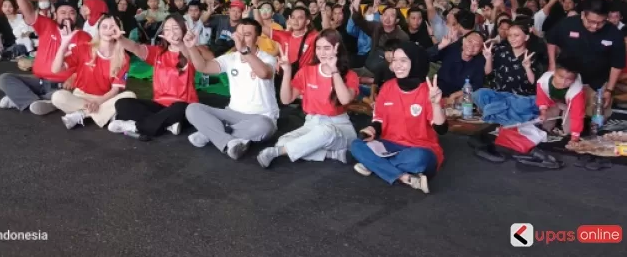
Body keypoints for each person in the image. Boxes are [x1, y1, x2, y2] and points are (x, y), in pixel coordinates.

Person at [350, 42, 446, 193]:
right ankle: (405, 177)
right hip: (389, 144)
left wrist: (435, 104)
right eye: (394, 60)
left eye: (403, 60)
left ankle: (373, 164)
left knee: (421, 158)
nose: (397, 65)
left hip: (419, 148)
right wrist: (372, 128)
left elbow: (441, 129)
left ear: (415, 62)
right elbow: (379, 119)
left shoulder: (429, 91)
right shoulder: (387, 87)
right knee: (356, 145)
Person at [256, 29, 359, 168]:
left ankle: (277, 152)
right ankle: (332, 155)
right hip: (312, 123)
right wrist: (287, 71)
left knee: (325, 132)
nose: (322, 53)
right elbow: (286, 100)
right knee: (283, 140)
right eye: (318, 48)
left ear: (337, 49)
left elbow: (345, 100)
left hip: (339, 127)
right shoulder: (307, 71)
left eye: (327, 48)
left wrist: (334, 70)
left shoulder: (350, 75)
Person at [0, 0, 91, 115]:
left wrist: (74, 77)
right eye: (63, 12)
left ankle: (23, 99)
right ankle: (37, 101)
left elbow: (89, 65)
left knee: (65, 95)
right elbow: (27, 11)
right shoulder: (48, 26)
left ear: (76, 16)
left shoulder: (83, 36)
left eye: (71, 12)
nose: (67, 16)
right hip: (39, 81)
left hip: (64, 86)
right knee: (4, 79)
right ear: (55, 14)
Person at [184, 19, 278, 160]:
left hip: (261, 117)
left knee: (265, 127)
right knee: (192, 109)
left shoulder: (267, 58)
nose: (241, 38)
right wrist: (191, 48)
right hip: (231, 114)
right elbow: (203, 67)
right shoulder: (230, 58)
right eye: (238, 34)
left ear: (257, 38)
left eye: (247, 34)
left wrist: (244, 51)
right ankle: (230, 141)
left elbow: (264, 74)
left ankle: (213, 133)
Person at [111, 15, 199, 138]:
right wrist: (120, 38)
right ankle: (165, 124)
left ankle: (136, 126)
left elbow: (196, 60)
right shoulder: (158, 52)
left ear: (184, 30)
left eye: (175, 28)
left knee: (181, 109)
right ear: (163, 32)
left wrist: (182, 45)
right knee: (122, 104)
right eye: (167, 29)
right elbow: (136, 47)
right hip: (160, 104)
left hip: (183, 105)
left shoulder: (192, 51)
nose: (171, 32)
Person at [50, 14, 136, 129]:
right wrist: (63, 44)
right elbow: (55, 69)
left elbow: (115, 89)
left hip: (105, 98)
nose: (108, 30)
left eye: (113, 27)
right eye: (104, 27)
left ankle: (81, 114)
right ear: (99, 30)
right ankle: (102, 115)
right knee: (57, 96)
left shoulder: (124, 58)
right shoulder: (84, 48)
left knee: (130, 96)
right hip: (81, 96)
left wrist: (99, 101)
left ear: (119, 31)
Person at [546, 0, 625, 118]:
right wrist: (552, 64)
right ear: (583, 14)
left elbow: (617, 64)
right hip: (567, 79)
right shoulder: (568, 24)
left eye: (601, 22)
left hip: (596, 82)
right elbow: (551, 40)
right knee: (555, 117)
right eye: (591, 21)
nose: (595, 26)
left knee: (596, 118)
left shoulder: (614, 33)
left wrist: (609, 90)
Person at [536, 59, 586, 141]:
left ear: (574, 80)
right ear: (554, 73)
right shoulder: (543, 81)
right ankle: (554, 125)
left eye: (568, 80)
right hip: (553, 104)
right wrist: (543, 113)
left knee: (569, 131)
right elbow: (542, 99)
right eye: (560, 77)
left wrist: (575, 136)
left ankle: (564, 124)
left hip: (569, 107)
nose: (563, 82)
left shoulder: (577, 91)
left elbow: (577, 113)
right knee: (545, 126)